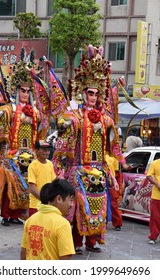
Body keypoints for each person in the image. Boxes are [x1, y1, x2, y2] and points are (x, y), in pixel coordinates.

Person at [52, 45, 130, 254]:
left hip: (98, 169)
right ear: (82, 91)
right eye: (90, 92)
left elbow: (112, 146)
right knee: (76, 207)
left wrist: (118, 165)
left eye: (97, 93)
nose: (93, 96)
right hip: (78, 170)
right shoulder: (74, 118)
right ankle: (76, 242)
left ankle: (92, 241)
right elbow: (62, 146)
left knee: (99, 207)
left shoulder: (105, 120)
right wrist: (59, 168)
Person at [0, 49, 46, 226]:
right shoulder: (8, 110)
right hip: (12, 154)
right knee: (9, 185)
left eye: (28, 91)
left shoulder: (35, 112)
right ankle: (7, 214)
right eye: (22, 90)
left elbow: (41, 134)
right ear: (16, 90)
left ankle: (17, 214)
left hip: (29, 154)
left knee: (27, 187)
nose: (25, 94)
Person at [20, 178, 75, 260]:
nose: (71, 205)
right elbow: (65, 258)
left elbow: (23, 253)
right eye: (70, 200)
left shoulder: (30, 220)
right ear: (59, 199)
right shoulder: (63, 224)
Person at [28, 140, 56, 217]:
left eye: (48, 150)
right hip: (36, 205)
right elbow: (32, 188)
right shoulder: (33, 165)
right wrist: (44, 199)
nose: (47, 152)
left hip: (48, 205)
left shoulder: (50, 164)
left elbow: (53, 182)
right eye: (44, 150)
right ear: (37, 151)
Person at [105, 153, 123, 231]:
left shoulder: (113, 157)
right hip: (100, 182)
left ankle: (117, 223)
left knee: (113, 204)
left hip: (110, 183)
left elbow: (117, 173)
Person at [146, 158, 160, 244]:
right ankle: (153, 237)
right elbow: (149, 175)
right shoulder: (155, 163)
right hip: (157, 196)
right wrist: (157, 184)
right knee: (155, 217)